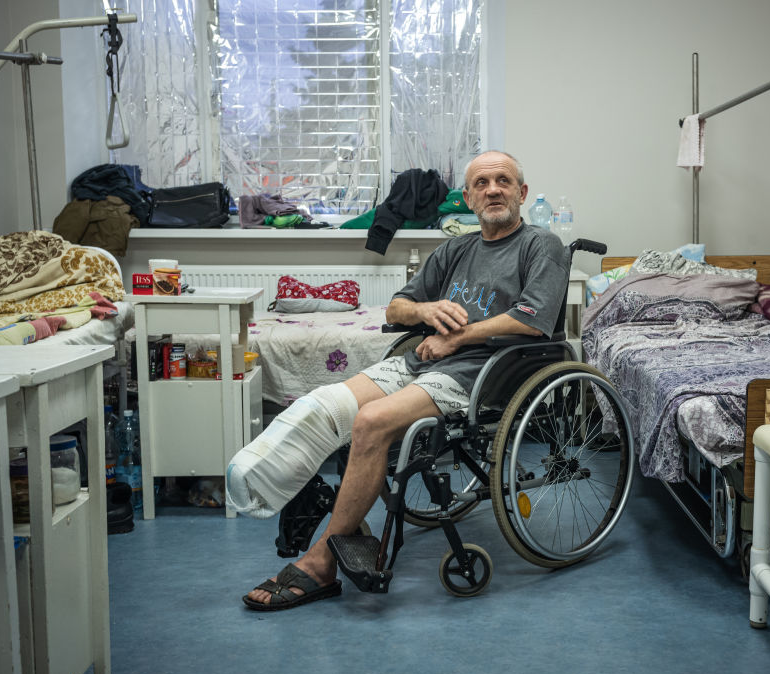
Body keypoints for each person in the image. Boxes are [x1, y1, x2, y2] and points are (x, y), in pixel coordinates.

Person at [241, 150, 569, 610]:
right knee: (326, 405)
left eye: (503, 181)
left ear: (522, 193)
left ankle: (321, 561)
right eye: (481, 183)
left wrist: (457, 339)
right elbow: (396, 308)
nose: (493, 190)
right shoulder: (456, 248)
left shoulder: (541, 245)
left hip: (488, 373)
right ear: (469, 199)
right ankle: (329, 515)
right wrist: (424, 310)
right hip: (424, 361)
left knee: (372, 422)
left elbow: (533, 320)